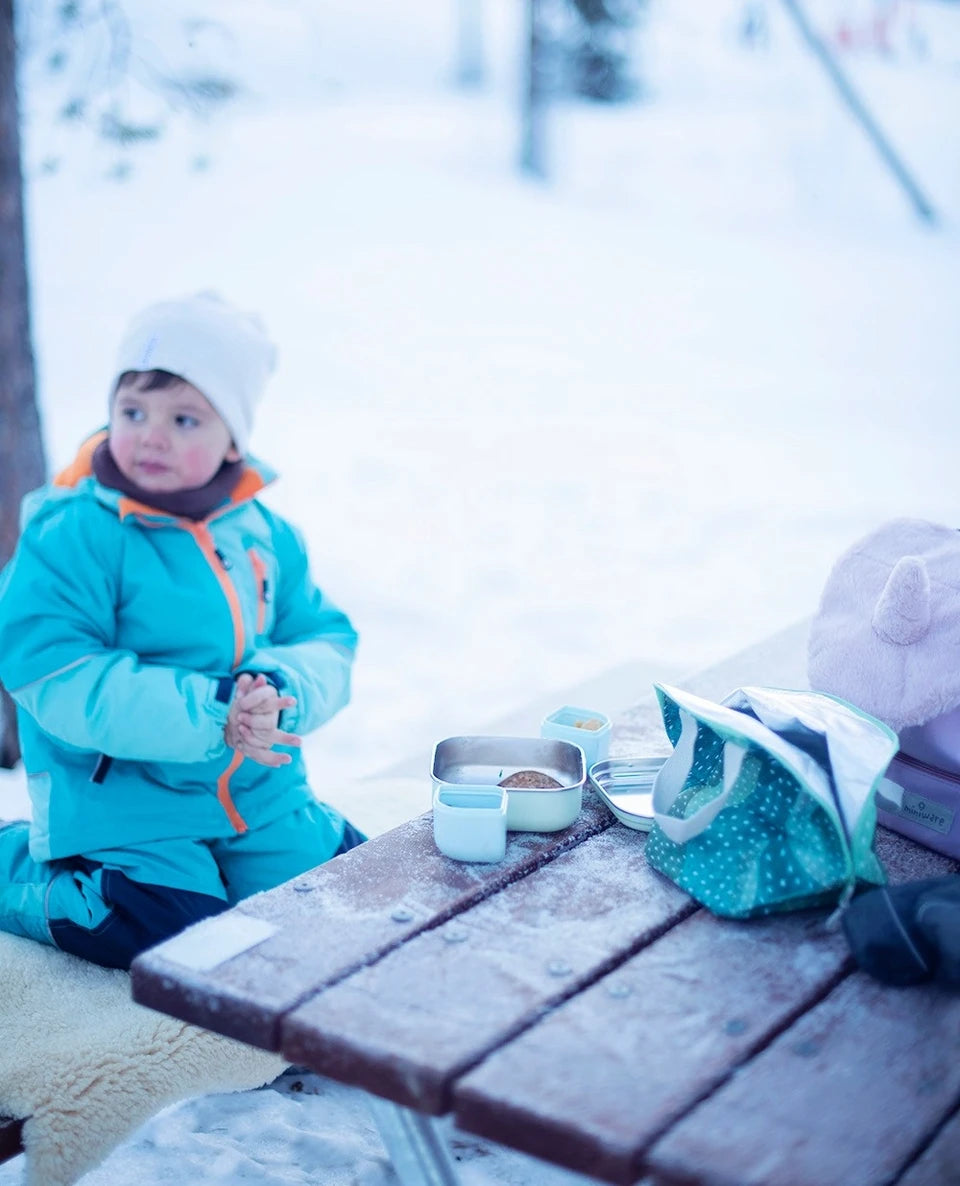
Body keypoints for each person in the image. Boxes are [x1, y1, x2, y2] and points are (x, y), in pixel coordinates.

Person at [0, 291, 364, 970]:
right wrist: (215, 711)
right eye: (132, 411)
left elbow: (326, 636)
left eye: (185, 418)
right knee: (174, 929)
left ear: (234, 437)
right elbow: (52, 667)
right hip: (129, 801)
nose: (150, 435)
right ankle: (17, 870)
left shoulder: (263, 533)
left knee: (332, 900)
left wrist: (280, 688)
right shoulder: (74, 530)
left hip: (258, 790)